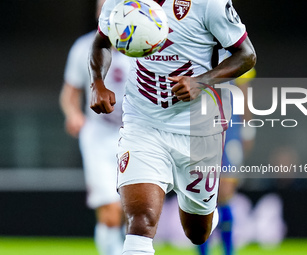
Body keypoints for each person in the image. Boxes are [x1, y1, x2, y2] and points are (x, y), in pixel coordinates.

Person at [88, 0, 256, 254]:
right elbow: (101, 42)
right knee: (140, 223)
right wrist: (97, 82)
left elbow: (247, 55)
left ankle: (208, 214)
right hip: (143, 123)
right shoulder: (120, 1)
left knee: (197, 233)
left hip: (199, 130)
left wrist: (201, 81)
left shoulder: (209, 3)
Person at [59, 1, 130, 254]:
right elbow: (69, 94)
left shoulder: (144, 49)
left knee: (127, 210)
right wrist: (73, 113)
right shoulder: (83, 48)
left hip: (134, 137)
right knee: (109, 211)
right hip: (98, 137)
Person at [198, 68, 256, 255]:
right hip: (199, 128)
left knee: (224, 191)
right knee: (201, 191)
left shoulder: (235, 49)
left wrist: (247, 128)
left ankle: (228, 251)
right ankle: (203, 251)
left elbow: (244, 92)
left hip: (229, 129)